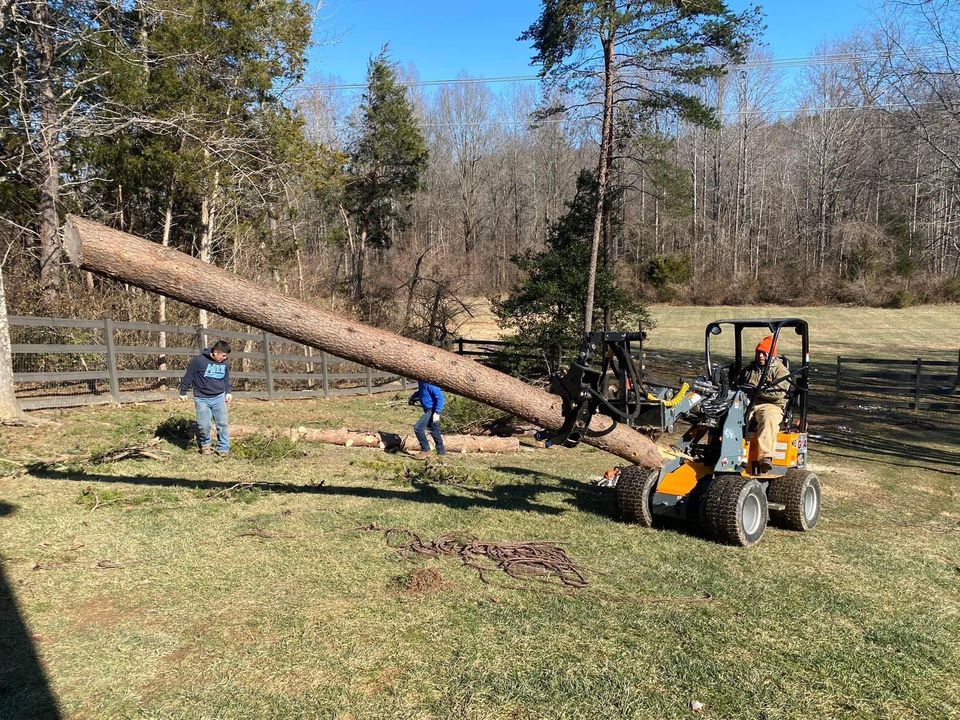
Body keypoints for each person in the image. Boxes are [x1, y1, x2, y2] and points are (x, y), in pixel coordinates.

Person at [741, 335, 790, 474]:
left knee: (768, 419)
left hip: (771, 405)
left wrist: (756, 391)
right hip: (750, 402)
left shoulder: (781, 371)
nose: (760, 356)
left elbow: (779, 394)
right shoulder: (749, 370)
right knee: (733, 416)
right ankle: (735, 454)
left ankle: (765, 457)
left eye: (764, 353)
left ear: (772, 354)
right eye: (758, 353)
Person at [179, 340, 232, 457]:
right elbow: (189, 376)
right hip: (202, 398)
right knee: (204, 425)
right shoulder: (199, 361)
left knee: (222, 424)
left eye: (225, 356)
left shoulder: (225, 363)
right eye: (223, 355)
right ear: (216, 352)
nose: (224, 358)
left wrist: (228, 392)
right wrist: (183, 391)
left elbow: (226, 378)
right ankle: (205, 446)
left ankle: (223, 448)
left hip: (219, 397)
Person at [409, 380, 446, 459]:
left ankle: (425, 450)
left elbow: (440, 397)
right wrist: (413, 396)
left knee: (418, 428)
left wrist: (437, 412)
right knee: (434, 431)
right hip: (428, 410)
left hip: (432, 410)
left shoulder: (430, 383)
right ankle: (441, 452)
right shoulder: (421, 381)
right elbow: (422, 391)